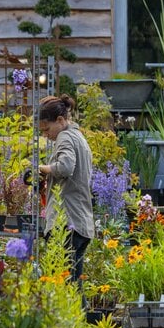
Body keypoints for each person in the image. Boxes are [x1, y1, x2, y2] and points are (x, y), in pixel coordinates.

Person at [37, 94, 94, 293]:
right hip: (80, 221)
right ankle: (81, 322)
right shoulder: (78, 137)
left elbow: (66, 167)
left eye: (46, 129)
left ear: (60, 121)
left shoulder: (65, 136)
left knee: (63, 284)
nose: (45, 135)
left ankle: (71, 324)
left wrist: (42, 169)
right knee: (74, 284)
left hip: (67, 223)